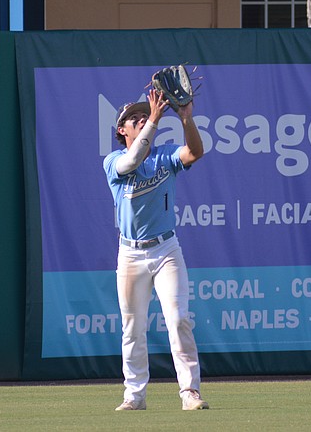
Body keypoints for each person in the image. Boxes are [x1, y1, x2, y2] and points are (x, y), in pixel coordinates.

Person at [102, 87, 209, 411]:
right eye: (133, 118)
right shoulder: (114, 161)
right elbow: (133, 159)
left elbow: (195, 152)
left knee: (178, 320)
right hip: (131, 254)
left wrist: (187, 118)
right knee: (133, 327)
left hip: (166, 250)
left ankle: (189, 393)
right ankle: (134, 396)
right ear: (122, 130)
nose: (140, 118)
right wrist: (156, 118)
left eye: (142, 115)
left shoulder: (165, 156)